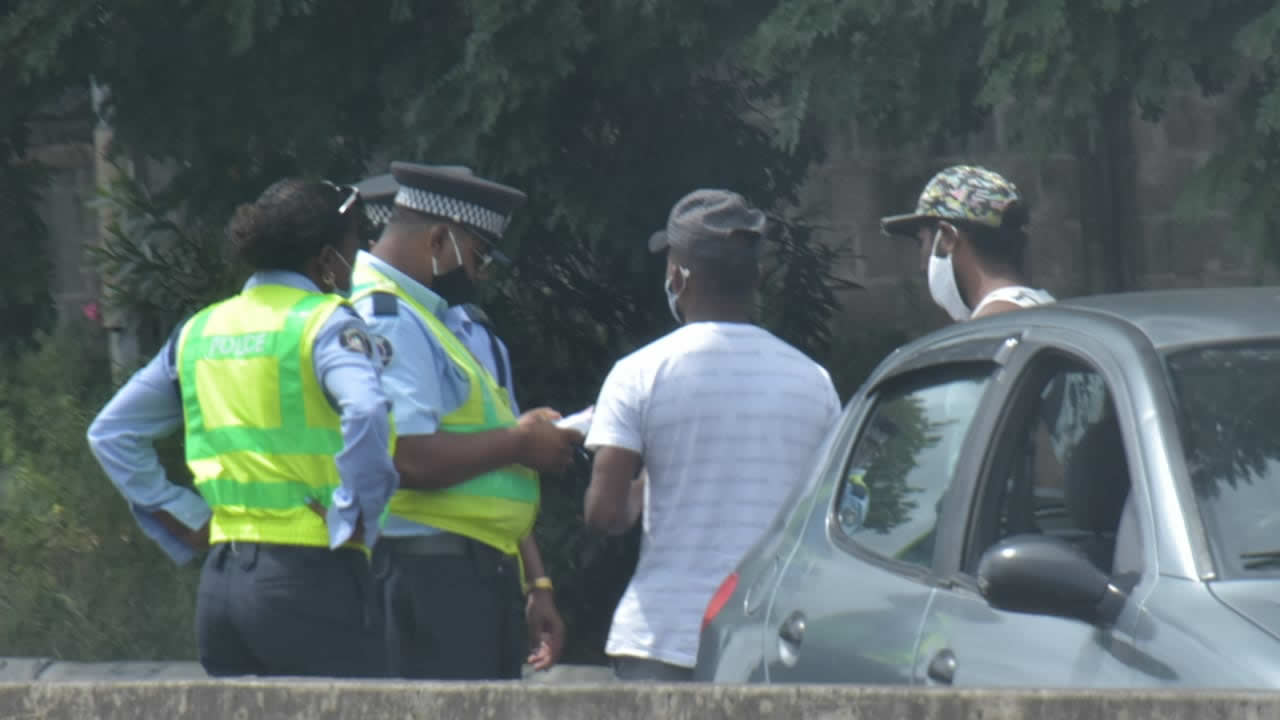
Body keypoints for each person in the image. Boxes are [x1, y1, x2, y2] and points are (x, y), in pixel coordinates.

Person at [86, 179, 398, 677]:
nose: (357, 257)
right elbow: (365, 410)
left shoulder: (201, 330)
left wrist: (187, 516)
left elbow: (111, 433)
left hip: (223, 587)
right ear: (323, 259)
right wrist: (355, 513)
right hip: (313, 579)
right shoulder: (327, 323)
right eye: (352, 245)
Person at [582, 189, 842, 682]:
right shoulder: (815, 381)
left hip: (664, 638)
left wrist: (648, 484)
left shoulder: (638, 373)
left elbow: (603, 514)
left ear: (678, 276)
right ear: (755, 277)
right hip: (769, 640)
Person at [349, 161, 581, 680]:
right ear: (437, 240)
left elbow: (487, 453)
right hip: (424, 577)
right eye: (475, 257)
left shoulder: (434, 320)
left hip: (468, 572)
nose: (477, 275)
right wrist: (520, 443)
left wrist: (534, 581)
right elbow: (409, 457)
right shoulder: (385, 317)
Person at [880, 165, 1054, 321]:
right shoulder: (1051, 310)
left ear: (947, 237)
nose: (922, 267)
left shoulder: (989, 331)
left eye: (921, 242)